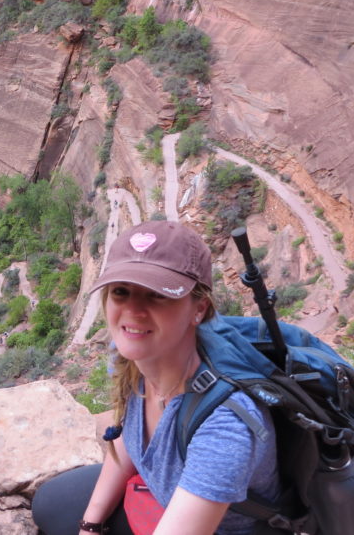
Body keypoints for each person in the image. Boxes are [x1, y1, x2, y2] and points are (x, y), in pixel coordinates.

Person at [32, 220, 279, 535]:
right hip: (166, 495)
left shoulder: (225, 426)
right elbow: (128, 438)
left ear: (198, 309)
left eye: (157, 295)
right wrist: (90, 526)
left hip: (219, 528)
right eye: (121, 291)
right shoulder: (138, 359)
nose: (133, 310)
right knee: (52, 504)